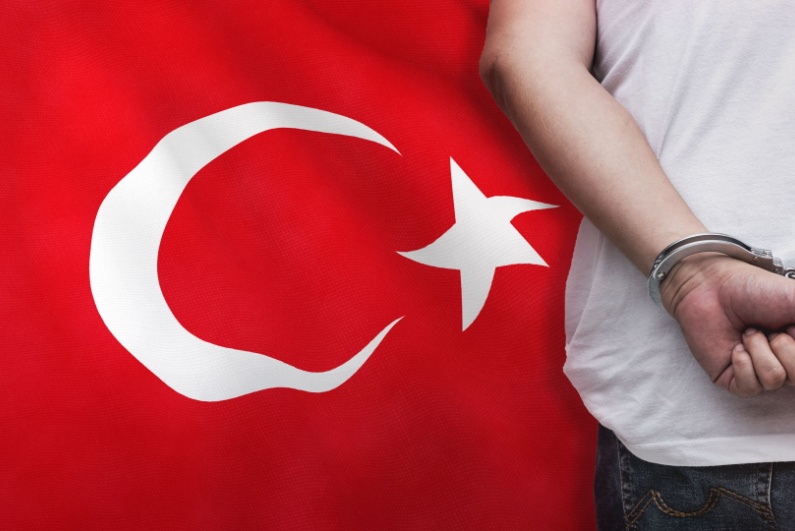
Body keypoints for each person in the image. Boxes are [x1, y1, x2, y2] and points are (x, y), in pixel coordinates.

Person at [480, 1, 795, 528]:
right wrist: (693, 277)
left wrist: (692, 278)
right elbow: (524, 58)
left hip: (697, 423)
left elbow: (527, 55)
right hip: (701, 431)